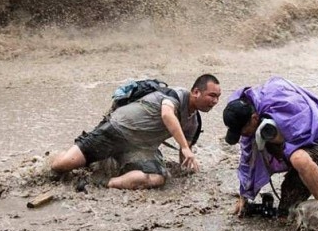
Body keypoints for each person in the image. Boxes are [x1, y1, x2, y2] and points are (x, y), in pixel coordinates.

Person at [51, 74, 221, 189]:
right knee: (60, 166)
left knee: (157, 178)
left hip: (139, 149)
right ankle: (50, 160)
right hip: (115, 130)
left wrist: (190, 174)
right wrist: (184, 146)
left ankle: (103, 182)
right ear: (196, 92)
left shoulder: (194, 123)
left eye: (218, 97)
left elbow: (186, 157)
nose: (215, 101)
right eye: (212, 96)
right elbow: (167, 114)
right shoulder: (176, 95)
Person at [222, 76, 318, 216]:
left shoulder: (283, 103)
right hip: (302, 156)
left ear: (254, 118)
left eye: (243, 131)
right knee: (285, 213)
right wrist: (244, 196)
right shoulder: (250, 120)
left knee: (298, 158)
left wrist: (282, 138)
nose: (243, 135)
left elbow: (314, 128)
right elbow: (247, 161)